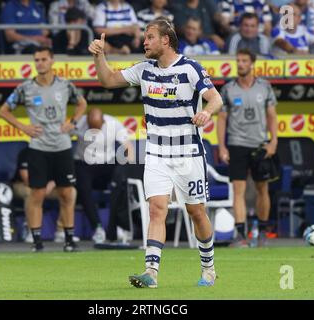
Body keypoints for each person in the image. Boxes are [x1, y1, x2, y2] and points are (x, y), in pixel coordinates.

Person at [88, 17, 223, 288]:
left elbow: (216, 98)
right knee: (157, 208)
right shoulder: (144, 69)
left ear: (165, 40)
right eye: (144, 37)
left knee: (196, 212)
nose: (144, 41)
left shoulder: (190, 68)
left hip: (188, 153)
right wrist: (100, 57)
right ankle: (151, 272)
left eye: (149, 37)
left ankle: (208, 268)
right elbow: (108, 80)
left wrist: (206, 112)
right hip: (157, 153)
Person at [0, 46, 87, 252]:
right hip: (38, 147)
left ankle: (69, 239)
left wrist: (72, 122)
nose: (40, 63)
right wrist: (24, 127)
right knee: (36, 193)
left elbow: (82, 103)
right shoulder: (25, 88)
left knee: (67, 193)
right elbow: (3, 111)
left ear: (52, 60)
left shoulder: (65, 86)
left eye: (44, 59)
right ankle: (37, 240)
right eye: (37, 60)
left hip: (62, 146)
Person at [217, 48, 278, 248]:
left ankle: (262, 232)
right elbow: (222, 119)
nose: (240, 64)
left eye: (244, 60)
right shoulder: (228, 89)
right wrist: (222, 146)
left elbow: (271, 115)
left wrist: (273, 141)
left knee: (262, 188)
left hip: (260, 144)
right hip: (236, 144)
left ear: (252, 62)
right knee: (238, 189)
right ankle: (241, 235)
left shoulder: (264, 87)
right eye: (238, 61)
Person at [72, 107, 135, 243]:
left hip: (107, 163)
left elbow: (128, 146)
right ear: (86, 121)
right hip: (84, 163)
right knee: (83, 187)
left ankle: (119, 227)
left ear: (103, 122)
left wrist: (128, 169)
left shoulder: (113, 123)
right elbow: (63, 135)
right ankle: (98, 228)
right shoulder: (78, 122)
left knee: (121, 182)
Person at [11, 147, 77, 243]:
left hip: (50, 186)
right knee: (31, 193)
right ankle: (32, 231)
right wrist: (41, 187)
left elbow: (62, 175)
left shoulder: (58, 152)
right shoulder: (27, 152)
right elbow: (26, 178)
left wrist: (50, 185)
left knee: (71, 192)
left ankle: (62, 231)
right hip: (25, 185)